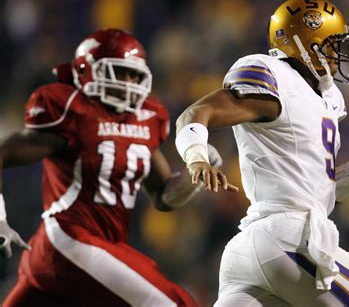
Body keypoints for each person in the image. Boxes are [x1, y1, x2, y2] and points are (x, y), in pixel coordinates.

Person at [175, 0, 349, 306]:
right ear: (306, 44)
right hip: (289, 240)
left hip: (251, 253)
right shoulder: (276, 77)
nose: (337, 55)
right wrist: (196, 156)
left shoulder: (324, 100)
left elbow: (319, 191)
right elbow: (192, 115)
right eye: (331, 45)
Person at [0, 28, 223, 306]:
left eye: (134, 75)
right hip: (69, 239)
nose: (129, 83)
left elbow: (163, 195)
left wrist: (195, 176)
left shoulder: (147, 118)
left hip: (92, 250)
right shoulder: (73, 110)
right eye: (119, 73)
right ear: (86, 71)